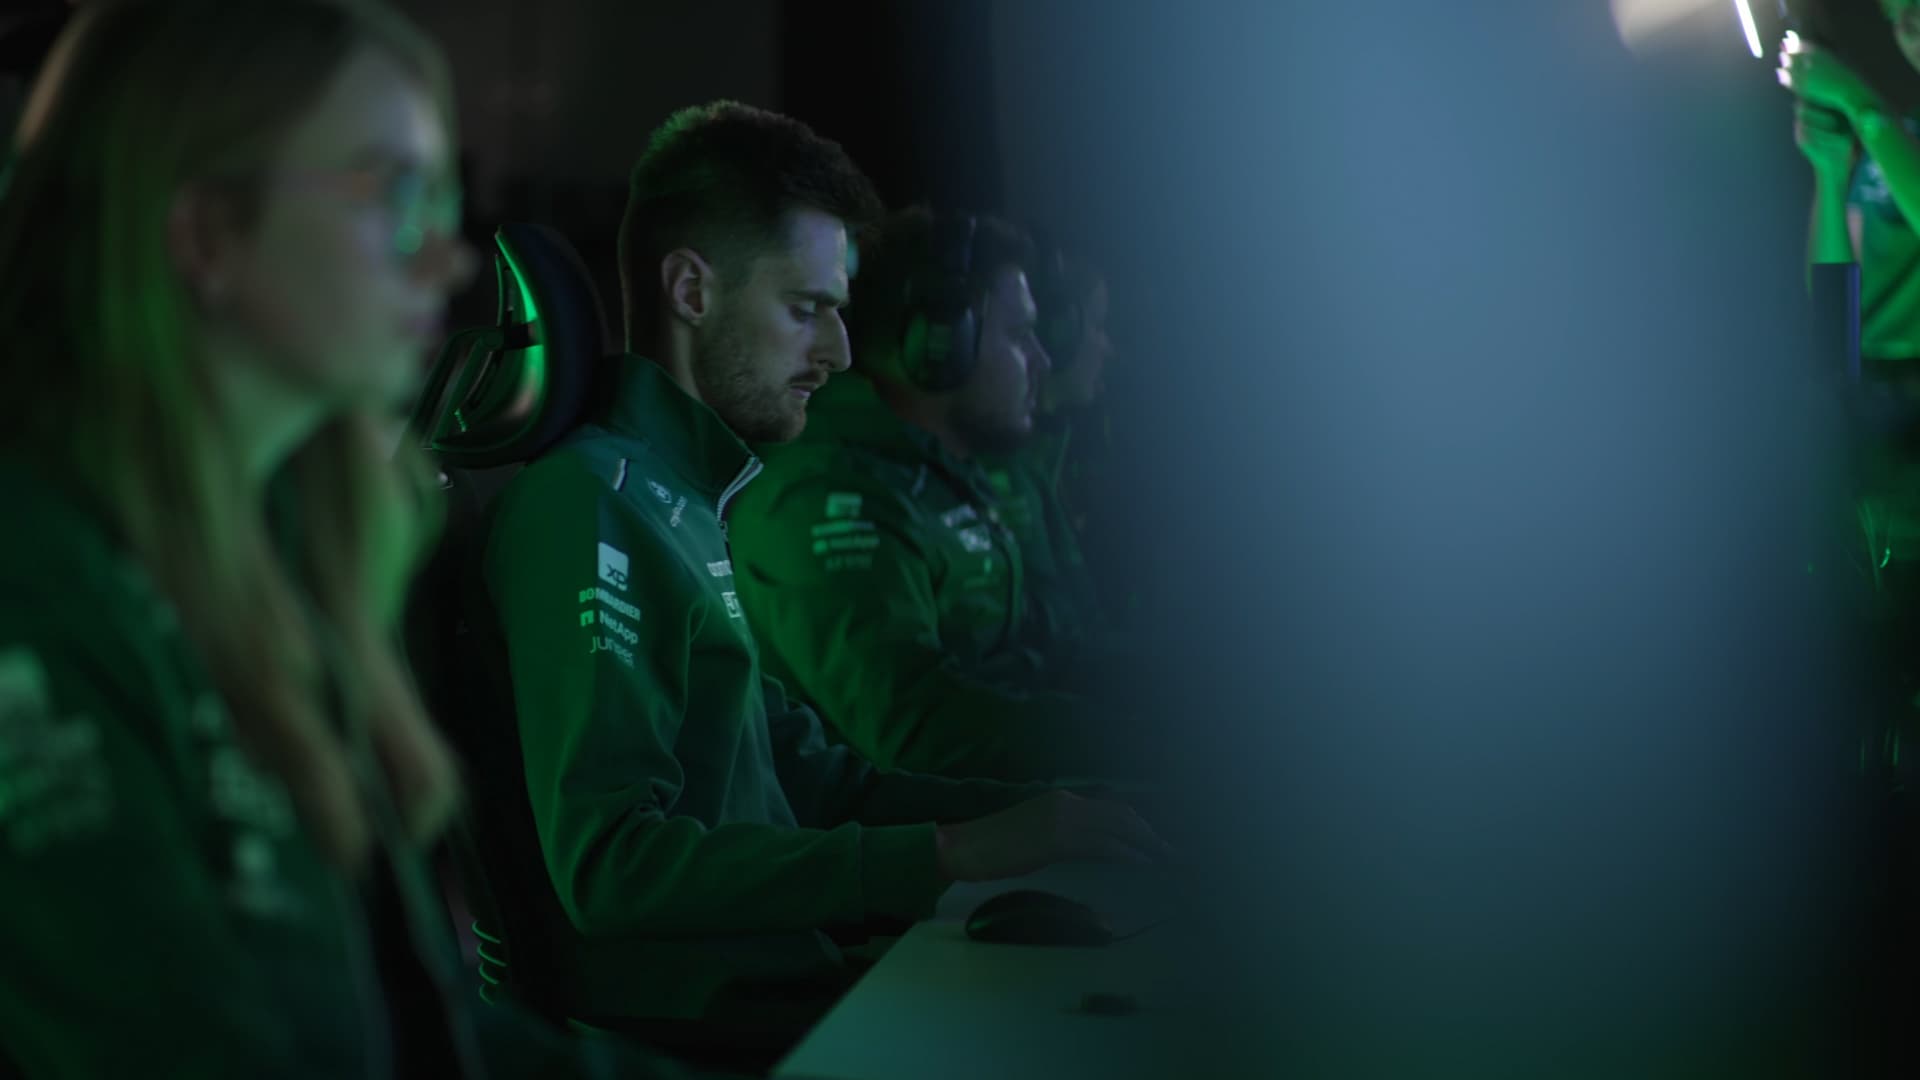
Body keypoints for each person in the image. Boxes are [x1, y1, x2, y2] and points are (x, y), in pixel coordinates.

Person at [0, 3, 687, 1076]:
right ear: (206, 233)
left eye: (443, 200)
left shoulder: (291, 543)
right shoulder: (37, 592)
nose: (449, 260)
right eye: (392, 196)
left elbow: (422, 1034)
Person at [469, 100, 1167, 1049]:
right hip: (709, 1035)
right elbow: (612, 865)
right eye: (807, 311)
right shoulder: (593, 506)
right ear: (690, 290)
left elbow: (820, 781)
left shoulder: (683, 500)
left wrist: (1056, 813)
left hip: (788, 985)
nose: (838, 354)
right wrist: (951, 854)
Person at [726, 207, 1142, 782]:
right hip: (902, 830)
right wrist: (1136, 743)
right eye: (1018, 335)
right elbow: (915, 726)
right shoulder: (819, 496)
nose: (1042, 360)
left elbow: (1037, 651)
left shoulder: (944, 477)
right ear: (943, 344)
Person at [980, 244, 1117, 663]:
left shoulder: (1043, 465)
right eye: (1097, 325)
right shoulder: (1000, 478)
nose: (1108, 347)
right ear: (1060, 333)